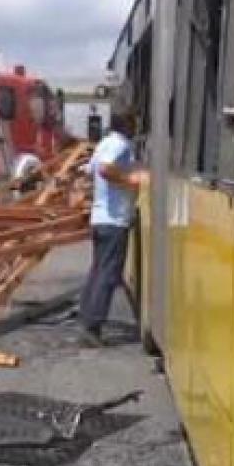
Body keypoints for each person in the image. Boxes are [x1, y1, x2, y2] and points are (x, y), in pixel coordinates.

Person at [76, 108, 146, 346]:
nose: (136, 127)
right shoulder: (120, 145)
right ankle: (92, 326)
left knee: (98, 269)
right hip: (114, 219)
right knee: (108, 273)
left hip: (99, 217)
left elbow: (89, 171)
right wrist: (129, 180)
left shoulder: (103, 143)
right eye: (134, 122)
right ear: (126, 124)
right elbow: (105, 169)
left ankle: (86, 315)